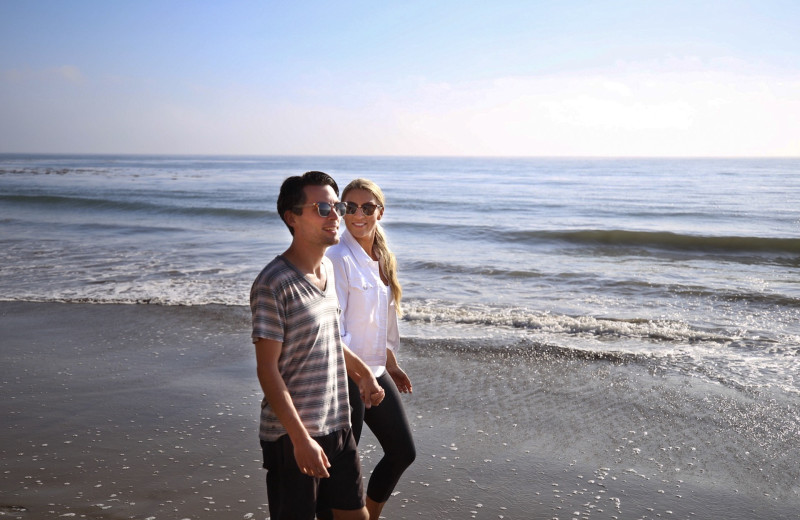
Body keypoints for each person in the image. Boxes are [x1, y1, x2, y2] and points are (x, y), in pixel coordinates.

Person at [250, 171, 386, 520]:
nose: (335, 215)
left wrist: (364, 375)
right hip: (294, 436)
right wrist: (300, 440)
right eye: (322, 207)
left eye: (335, 206)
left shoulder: (326, 269)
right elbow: (267, 369)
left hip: (338, 424)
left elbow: (329, 339)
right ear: (291, 218)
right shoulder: (273, 282)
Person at [326, 178, 417, 520]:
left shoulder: (382, 256)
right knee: (343, 468)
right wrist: (361, 375)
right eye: (350, 207)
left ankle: (368, 515)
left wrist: (390, 364)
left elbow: (381, 320)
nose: (357, 214)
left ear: (380, 211)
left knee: (402, 452)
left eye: (366, 207)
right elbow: (331, 332)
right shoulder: (337, 258)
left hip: (375, 371)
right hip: (345, 375)